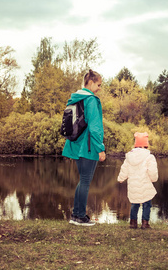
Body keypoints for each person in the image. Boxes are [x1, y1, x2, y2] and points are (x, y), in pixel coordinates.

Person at [63, 69, 106, 226]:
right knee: (85, 181)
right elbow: (95, 127)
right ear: (91, 82)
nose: (99, 88)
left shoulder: (74, 99)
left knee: (83, 180)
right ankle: (79, 216)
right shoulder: (91, 100)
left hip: (76, 146)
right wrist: (100, 148)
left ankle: (76, 215)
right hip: (88, 147)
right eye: (98, 85)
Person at [117, 132, 158, 229]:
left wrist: (121, 178)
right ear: (146, 144)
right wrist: (153, 179)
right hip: (145, 184)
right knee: (147, 204)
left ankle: (133, 223)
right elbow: (152, 171)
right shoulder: (149, 157)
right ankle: (145, 223)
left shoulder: (129, 157)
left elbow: (124, 169)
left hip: (133, 185)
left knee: (134, 203)